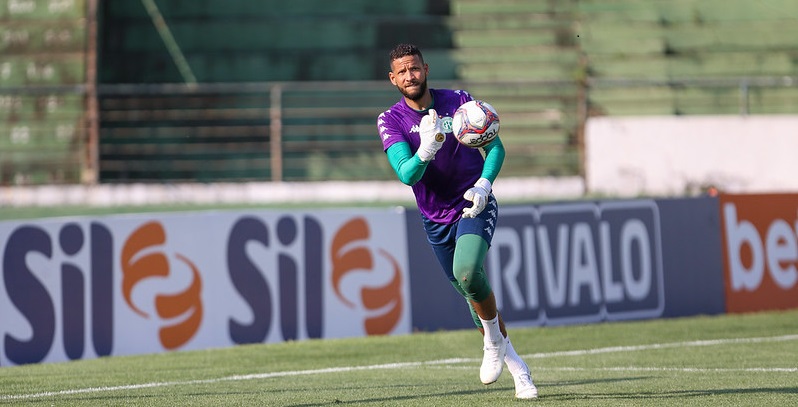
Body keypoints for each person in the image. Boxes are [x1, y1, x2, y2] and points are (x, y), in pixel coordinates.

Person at [376, 43, 538, 400]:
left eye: (414, 68)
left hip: (472, 205)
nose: (409, 76)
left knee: (468, 272)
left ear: (426, 69)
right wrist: (425, 150)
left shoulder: (460, 102)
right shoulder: (391, 120)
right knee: (473, 296)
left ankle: (495, 349)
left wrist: (483, 184)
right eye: (402, 71)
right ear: (393, 79)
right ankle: (518, 368)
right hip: (434, 220)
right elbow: (407, 174)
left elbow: (495, 147)